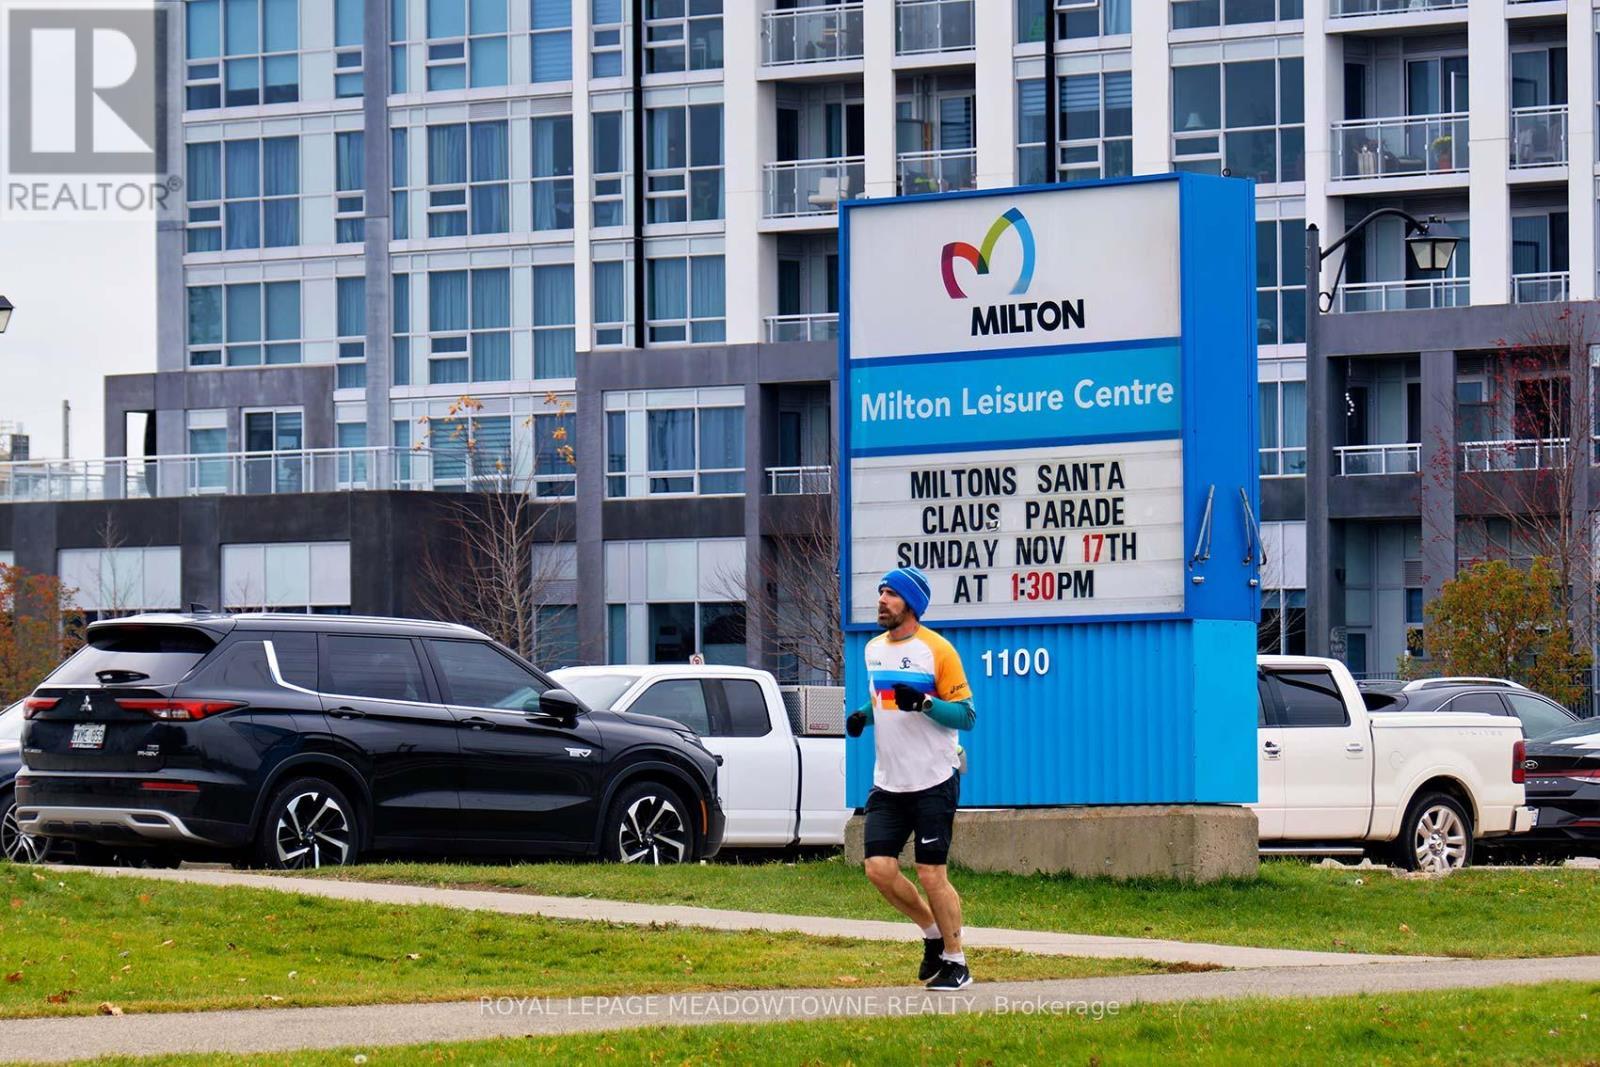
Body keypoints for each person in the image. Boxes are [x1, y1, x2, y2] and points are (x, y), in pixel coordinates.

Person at [846, 566, 977, 991]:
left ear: (911, 605)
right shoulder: (873, 649)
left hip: (934, 778)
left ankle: (957, 963)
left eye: (891, 594)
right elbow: (881, 699)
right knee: (878, 869)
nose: (882, 600)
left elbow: (967, 716)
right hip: (889, 782)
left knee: (930, 872)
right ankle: (932, 933)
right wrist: (862, 718)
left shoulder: (937, 651)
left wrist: (923, 704)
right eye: (881, 592)